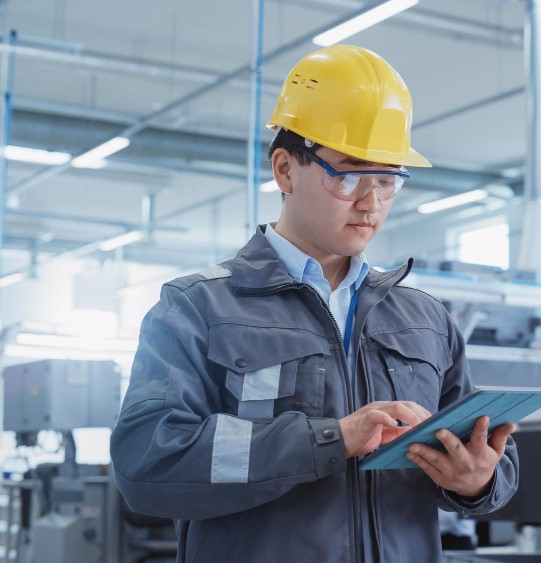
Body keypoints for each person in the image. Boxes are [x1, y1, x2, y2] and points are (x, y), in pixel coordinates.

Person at [110, 45, 519, 563]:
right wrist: (331, 440)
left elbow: (496, 462)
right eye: (348, 174)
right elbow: (147, 464)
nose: (371, 203)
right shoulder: (197, 308)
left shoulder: (427, 320)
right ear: (285, 170)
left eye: (388, 179)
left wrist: (477, 478)